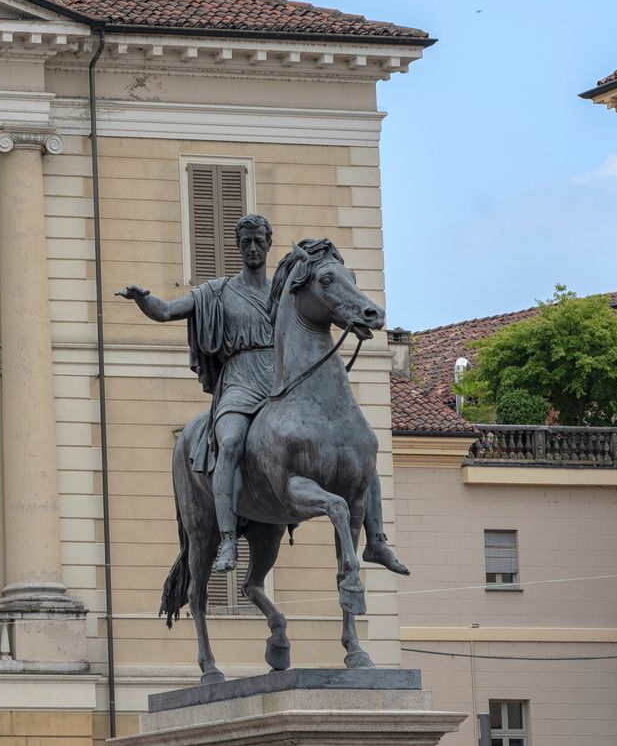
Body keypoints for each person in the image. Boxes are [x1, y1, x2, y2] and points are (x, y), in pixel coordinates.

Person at [119, 214, 408, 576]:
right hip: (240, 383)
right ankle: (226, 537)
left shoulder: (287, 290)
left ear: (268, 245)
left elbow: (328, 307)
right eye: (246, 242)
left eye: (259, 241)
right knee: (231, 442)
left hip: (283, 379)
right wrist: (143, 299)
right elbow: (166, 312)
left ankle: (376, 539)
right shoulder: (218, 292)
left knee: (357, 445)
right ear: (238, 247)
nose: (253, 248)